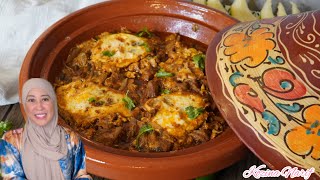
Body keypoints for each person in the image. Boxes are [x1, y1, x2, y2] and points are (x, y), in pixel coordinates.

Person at [0, 78, 92, 180]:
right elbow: (12, 177)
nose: (39, 107)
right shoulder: (11, 140)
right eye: (31, 100)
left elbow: (81, 175)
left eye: (45, 99)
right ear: (24, 104)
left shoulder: (70, 138)